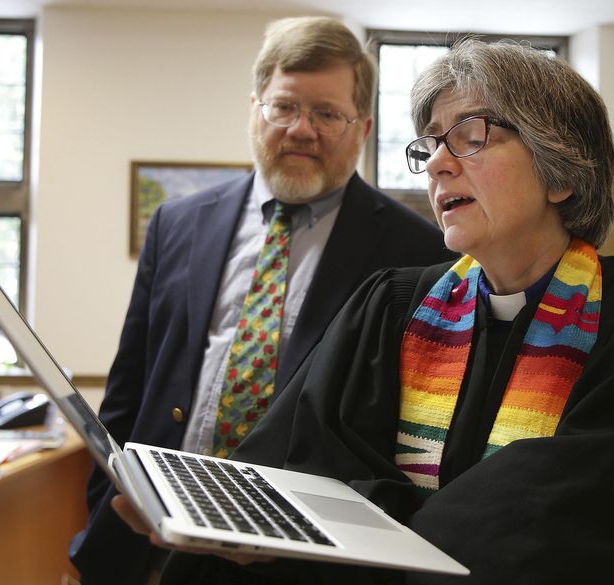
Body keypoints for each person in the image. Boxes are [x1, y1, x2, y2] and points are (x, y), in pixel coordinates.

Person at [126, 38, 614, 584]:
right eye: (431, 145)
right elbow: (295, 468)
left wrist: (345, 532)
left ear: (562, 172)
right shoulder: (390, 308)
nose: (439, 165)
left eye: (472, 136)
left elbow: (555, 525)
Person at [69, 16, 455, 585]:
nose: (302, 129)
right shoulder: (178, 223)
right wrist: (106, 503)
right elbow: (131, 386)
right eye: (284, 107)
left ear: (364, 127)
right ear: (255, 108)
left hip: (300, 562)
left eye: (327, 113)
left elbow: (404, 439)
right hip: (148, 541)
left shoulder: (417, 254)